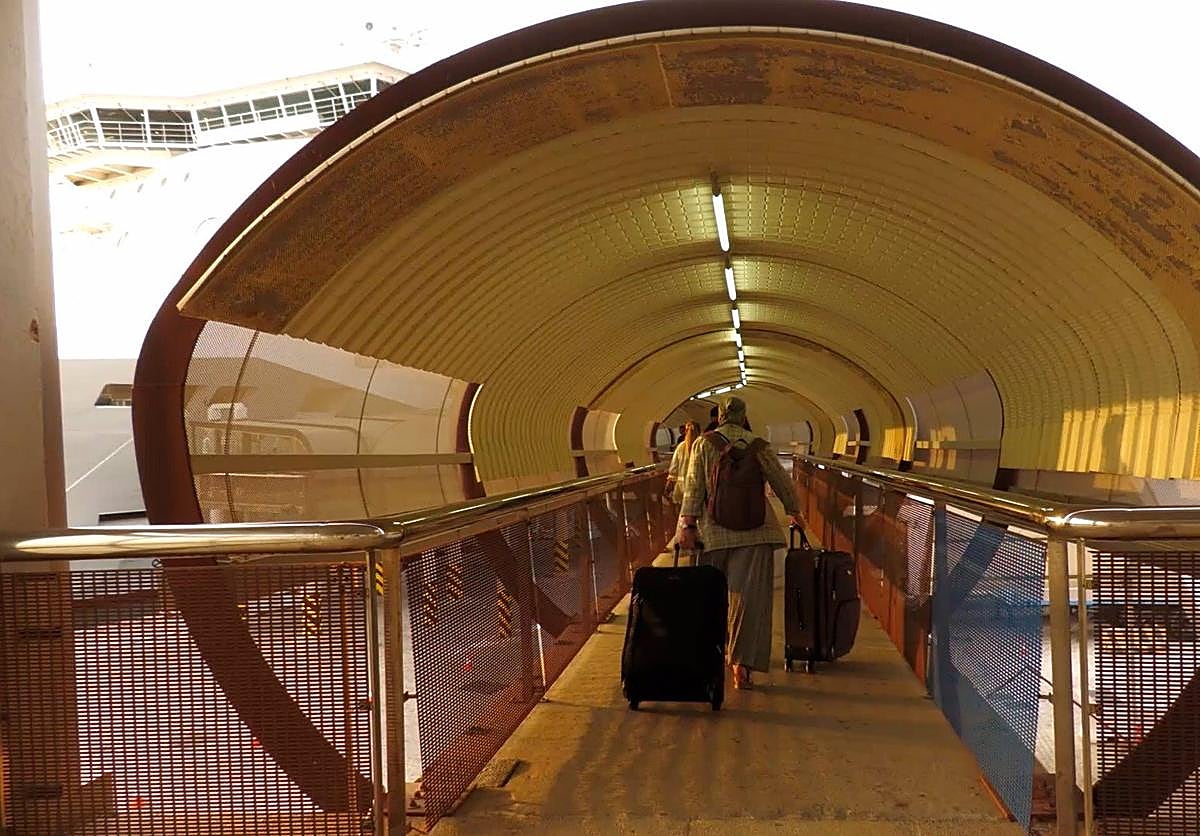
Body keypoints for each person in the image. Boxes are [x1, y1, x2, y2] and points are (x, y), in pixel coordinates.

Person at [678, 396, 802, 690]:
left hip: (713, 533)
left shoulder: (704, 444)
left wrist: (688, 523)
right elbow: (781, 481)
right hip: (757, 532)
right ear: (744, 416)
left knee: (712, 597)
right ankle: (742, 664)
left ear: (720, 417)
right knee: (750, 601)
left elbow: (694, 484)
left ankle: (710, 656)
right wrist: (794, 511)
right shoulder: (759, 445)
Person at [665, 421, 700, 505]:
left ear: (685, 431)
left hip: (682, 489)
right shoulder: (702, 445)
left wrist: (667, 489)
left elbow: (674, 471)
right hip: (699, 489)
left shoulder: (680, 447)